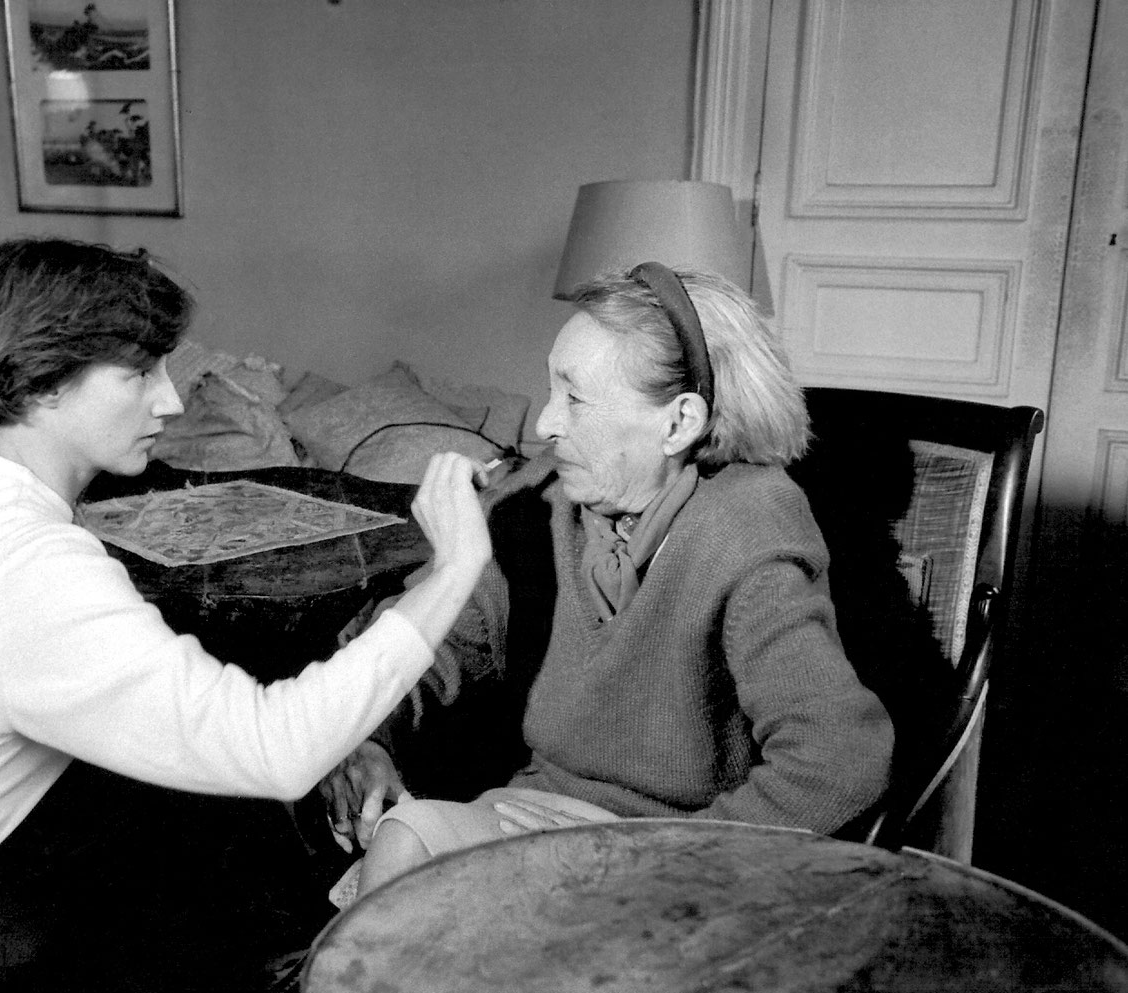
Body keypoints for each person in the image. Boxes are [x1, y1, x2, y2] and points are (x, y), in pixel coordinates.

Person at [0, 238, 493, 993]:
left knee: (173, 813)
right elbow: (275, 751)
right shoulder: (41, 566)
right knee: (207, 848)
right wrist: (453, 570)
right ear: (47, 385)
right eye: (138, 372)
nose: (171, 399)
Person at [320, 264, 895, 899]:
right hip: (541, 821)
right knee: (405, 838)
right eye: (549, 390)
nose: (544, 423)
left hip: (679, 852)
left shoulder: (745, 526)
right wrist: (365, 740)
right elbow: (429, 646)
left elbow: (841, 758)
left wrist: (677, 870)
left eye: (575, 397)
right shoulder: (537, 502)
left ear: (678, 424)